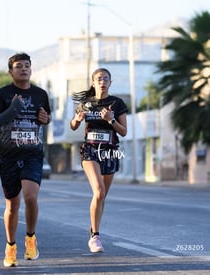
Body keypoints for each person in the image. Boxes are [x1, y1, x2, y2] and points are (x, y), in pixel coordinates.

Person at [0, 52, 52, 267]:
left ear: (31, 69)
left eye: (27, 65)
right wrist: (11, 110)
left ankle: (31, 238)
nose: (23, 69)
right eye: (18, 66)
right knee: (12, 206)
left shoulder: (41, 94)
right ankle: (11, 246)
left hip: (33, 153)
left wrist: (46, 119)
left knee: (31, 197)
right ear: (10, 71)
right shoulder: (3, 94)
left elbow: (46, 117)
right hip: (9, 157)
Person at [69, 68, 128, 253]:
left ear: (110, 83)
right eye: (99, 79)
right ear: (93, 82)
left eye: (106, 79)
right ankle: (95, 236)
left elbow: (124, 131)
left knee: (102, 196)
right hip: (91, 150)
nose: (102, 82)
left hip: (109, 151)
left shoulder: (117, 103)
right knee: (99, 190)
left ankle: (93, 228)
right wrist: (77, 120)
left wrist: (111, 120)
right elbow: (73, 125)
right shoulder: (86, 104)